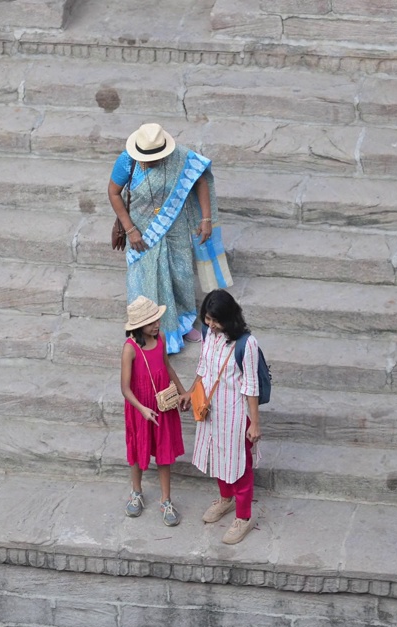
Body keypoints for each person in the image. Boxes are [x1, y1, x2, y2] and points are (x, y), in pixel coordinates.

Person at [107, 122, 219, 355]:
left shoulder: (179, 156)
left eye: (154, 158)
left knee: (180, 274)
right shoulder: (127, 161)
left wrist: (206, 220)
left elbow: (200, 180)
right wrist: (130, 229)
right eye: (145, 157)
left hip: (174, 224)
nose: (149, 161)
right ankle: (145, 331)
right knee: (145, 279)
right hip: (141, 229)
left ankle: (182, 323)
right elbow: (113, 192)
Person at [188, 289, 261, 545]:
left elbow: (251, 386)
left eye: (215, 320)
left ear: (228, 318)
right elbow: (203, 366)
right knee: (218, 456)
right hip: (212, 411)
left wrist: (255, 424)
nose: (210, 325)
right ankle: (225, 499)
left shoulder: (246, 344)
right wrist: (192, 391)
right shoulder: (209, 333)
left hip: (236, 415)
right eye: (207, 319)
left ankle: (244, 516)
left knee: (240, 465)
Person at [120, 296, 188, 526]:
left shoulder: (161, 338)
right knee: (139, 449)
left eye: (156, 320)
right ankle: (136, 491)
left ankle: (166, 499)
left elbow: (168, 367)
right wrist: (142, 409)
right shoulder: (129, 349)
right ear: (139, 326)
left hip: (162, 405)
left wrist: (182, 392)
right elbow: (125, 389)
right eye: (150, 323)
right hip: (140, 407)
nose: (156, 325)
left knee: (164, 451)